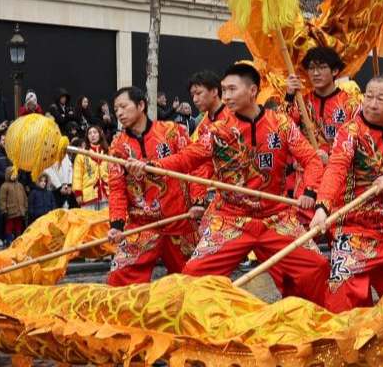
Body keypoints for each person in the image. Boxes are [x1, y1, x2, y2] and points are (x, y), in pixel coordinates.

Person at [148, 64, 329, 304]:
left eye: (232, 89)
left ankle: (303, 316)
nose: (226, 96)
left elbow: (312, 160)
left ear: (252, 91)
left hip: (276, 217)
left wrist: (310, 191)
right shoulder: (217, 131)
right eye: (224, 90)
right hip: (231, 218)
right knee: (193, 276)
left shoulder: (281, 123)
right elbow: (186, 159)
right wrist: (152, 166)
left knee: (317, 266)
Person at [310, 75, 383, 311]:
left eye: (380, 99)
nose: (372, 104)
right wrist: (322, 207)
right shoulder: (350, 131)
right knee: (342, 303)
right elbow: (336, 168)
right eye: (368, 96)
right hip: (354, 231)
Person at [104, 86, 198, 286]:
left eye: (123, 107)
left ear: (141, 105)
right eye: (116, 109)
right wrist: (116, 226)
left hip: (179, 221)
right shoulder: (118, 147)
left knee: (194, 282)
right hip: (142, 225)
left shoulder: (172, 132)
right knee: (118, 281)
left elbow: (195, 165)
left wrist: (198, 202)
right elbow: (117, 188)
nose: (119, 113)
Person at [285, 47, 361, 222]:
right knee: (303, 226)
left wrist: (331, 158)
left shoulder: (351, 103)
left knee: (333, 224)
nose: (315, 73)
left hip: (337, 177)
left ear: (335, 71)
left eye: (321, 67)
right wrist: (289, 96)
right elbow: (282, 127)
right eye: (311, 68)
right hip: (306, 177)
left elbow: (360, 140)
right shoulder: (302, 101)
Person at [72, 127, 110, 210]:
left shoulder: (108, 152)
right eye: (90, 133)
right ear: (87, 137)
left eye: (95, 132)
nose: (92, 135)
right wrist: (78, 193)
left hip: (107, 194)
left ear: (100, 134)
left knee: (106, 218)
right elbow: (77, 176)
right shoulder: (81, 154)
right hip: (88, 196)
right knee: (89, 218)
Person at [0, 170, 28, 245]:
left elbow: (24, 197)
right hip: (10, 211)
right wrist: (4, 210)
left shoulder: (20, 185)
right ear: (8, 175)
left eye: (15, 174)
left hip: (20, 210)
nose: (14, 176)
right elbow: (2, 199)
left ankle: (17, 240)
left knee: (18, 226)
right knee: (9, 226)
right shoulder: (5, 186)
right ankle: (9, 240)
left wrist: (25, 207)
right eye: (12, 174)